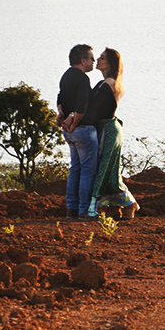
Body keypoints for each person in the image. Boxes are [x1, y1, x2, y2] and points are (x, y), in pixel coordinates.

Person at [86, 48, 139, 220]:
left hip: (108, 129)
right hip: (108, 128)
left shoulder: (109, 83)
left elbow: (92, 107)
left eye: (101, 58)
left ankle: (130, 203)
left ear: (109, 63)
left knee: (105, 171)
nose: (97, 61)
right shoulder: (106, 83)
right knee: (108, 171)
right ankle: (114, 207)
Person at [56, 44, 98, 219]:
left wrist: (62, 114)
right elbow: (82, 105)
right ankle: (85, 211)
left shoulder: (65, 76)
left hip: (69, 132)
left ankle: (71, 209)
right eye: (91, 59)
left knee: (75, 169)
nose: (93, 62)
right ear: (83, 61)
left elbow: (60, 97)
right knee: (88, 171)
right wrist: (75, 121)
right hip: (82, 130)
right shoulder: (82, 78)